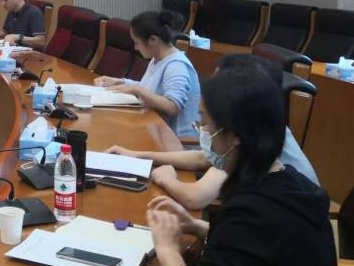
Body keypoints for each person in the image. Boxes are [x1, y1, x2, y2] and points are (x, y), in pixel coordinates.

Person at [109, 71, 344, 266]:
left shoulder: (252, 210)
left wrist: (167, 248)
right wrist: (196, 226)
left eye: (206, 124)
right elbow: (261, 250)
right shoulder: (289, 183)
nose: (203, 132)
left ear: (235, 135)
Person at [108, 54, 320, 210]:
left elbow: (195, 197)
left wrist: (166, 178)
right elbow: (204, 158)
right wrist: (138, 155)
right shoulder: (255, 125)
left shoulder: (247, 139)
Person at [94, 11, 199, 138]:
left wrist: (137, 90)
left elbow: (172, 107)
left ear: (153, 39)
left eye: (137, 43)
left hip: (177, 141)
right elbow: (150, 88)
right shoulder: (157, 58)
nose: (135, 48)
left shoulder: (176, 66)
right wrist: (121, 81)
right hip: (156, 130)